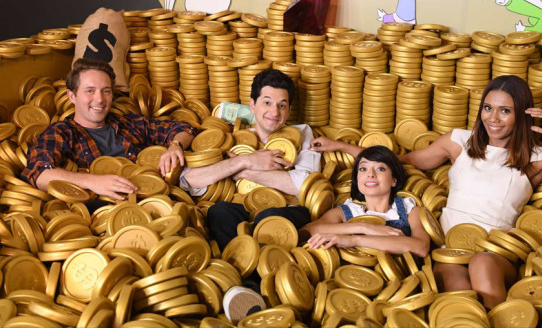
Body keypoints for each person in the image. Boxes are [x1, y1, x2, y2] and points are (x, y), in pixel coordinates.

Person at [311, 75, 542, 309]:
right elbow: (398, 163)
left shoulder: (539, 159)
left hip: (496, 254)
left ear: (522, 115)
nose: (493, 118)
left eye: (505, 111)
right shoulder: (458, 142)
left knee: (481, 262)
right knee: (460, 301)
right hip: (447, 251)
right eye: (488, 108)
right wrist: (342, 147)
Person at [180, 68, 321, 324]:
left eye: (282, 105)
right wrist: (246, 160)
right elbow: (189, 180)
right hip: (241, 211)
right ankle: (247, 290)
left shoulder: (303, 133)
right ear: (252, 104)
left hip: (286, 212)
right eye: (267, 102)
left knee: (270, 215)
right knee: (219, 212)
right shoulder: (230, 138)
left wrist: (247, 170)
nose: (274, 112)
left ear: (289, 111)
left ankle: (267, 292)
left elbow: (303, 185)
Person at [21, 58, 196, 209]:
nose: (99, 99)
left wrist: (175, 145)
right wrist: (93, 181)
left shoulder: (128, 124)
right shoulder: (61, 132)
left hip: (154, 197)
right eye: (90, 91)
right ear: (72, 96)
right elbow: (39, 173)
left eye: (106, 91)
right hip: (105, 210)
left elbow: (186, 129)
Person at [301, 145, 430, 258]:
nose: (370, 174)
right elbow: (307, 231)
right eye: (363, 169)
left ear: (393, 180)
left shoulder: (410, 211)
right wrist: (364, 227)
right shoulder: (345, 211)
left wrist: (355, 239)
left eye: (380, 168)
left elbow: (421, 248)